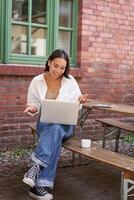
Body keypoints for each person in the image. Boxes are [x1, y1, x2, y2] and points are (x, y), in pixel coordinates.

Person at [23, 49, 89, 200]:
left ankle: (36, 168)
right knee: (54, 134)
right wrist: (33, 108)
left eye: (62, 67)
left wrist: (80, 101)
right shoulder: (37, 81)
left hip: (65, 126)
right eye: (55, 66)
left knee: (56, 128)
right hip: (45, 124)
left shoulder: (70, 81)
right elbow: (33, 104)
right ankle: (38, 186)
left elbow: (75, 105)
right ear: (49, 63)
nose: (58, 70)